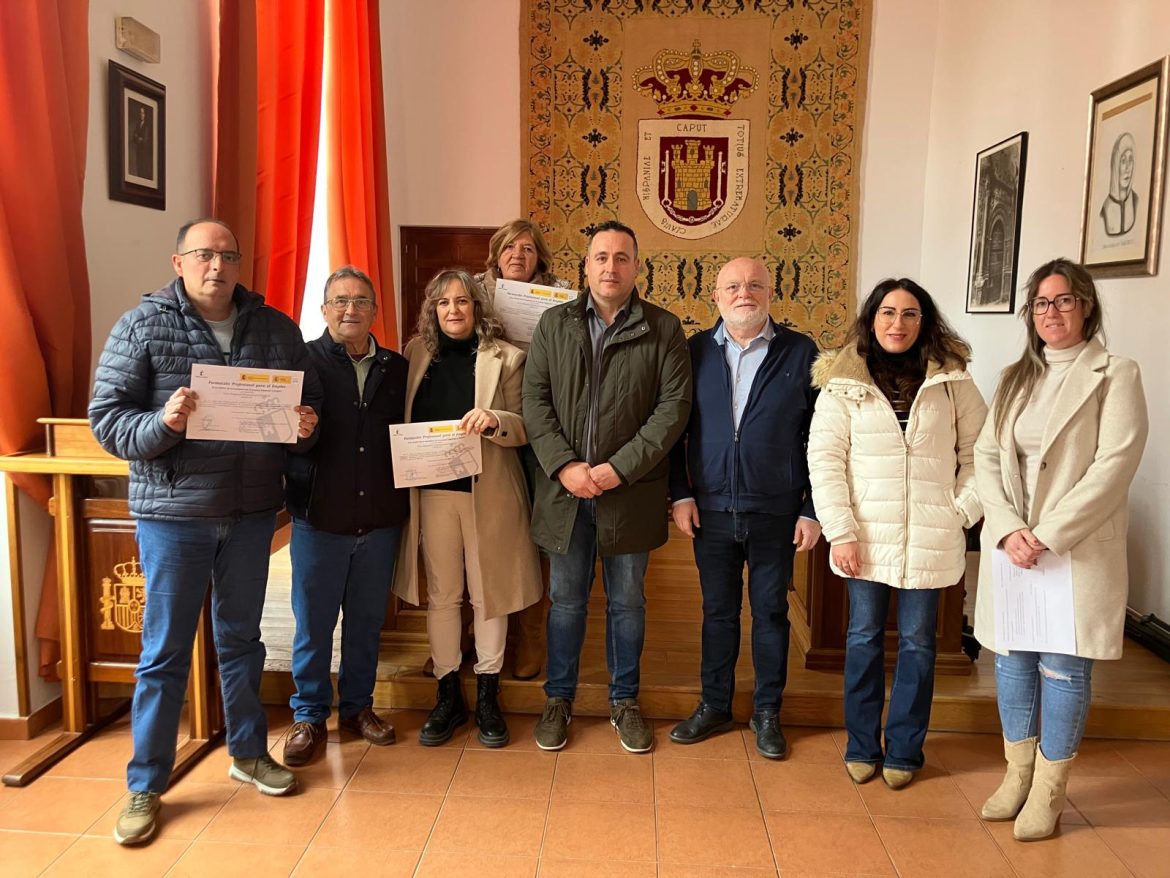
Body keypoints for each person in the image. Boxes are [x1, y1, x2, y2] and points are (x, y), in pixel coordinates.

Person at [89, 218, 322, 845]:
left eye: (227, 255)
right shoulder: (141, 326)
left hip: (251, 514)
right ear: (179, 262)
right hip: (174, 516)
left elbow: (309, 411)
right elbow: (107, 421)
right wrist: (163, 423)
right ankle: (146, 783)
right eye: (203, 255)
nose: (216, 266)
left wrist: (306, 426)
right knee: (164, 652)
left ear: (240, 264)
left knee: (242, 641)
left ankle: (248, 753)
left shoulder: (275, 329)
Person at [974, 258, 1147, 841]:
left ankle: (1049, 790)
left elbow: (1114, 465)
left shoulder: (1115, 374)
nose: (1052, 312)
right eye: (1042, 303)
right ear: (1031, 314)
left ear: (1086, 307)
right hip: (1013, 546)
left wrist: (1047, 534)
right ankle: (1016, 775)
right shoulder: (1014, 378)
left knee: (1065, 668)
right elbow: (987, 457)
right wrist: (1007, 528)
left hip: (1073, 549)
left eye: (1064, 300)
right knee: (1013, 661)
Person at [808, 278, 986, 789]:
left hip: (932, 532)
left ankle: (905, 749)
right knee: (863, 638)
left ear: (924, 322)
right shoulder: (844, 381)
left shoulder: (953, 380)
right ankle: (862, 744)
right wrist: (840, 530)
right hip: (864, 536)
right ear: (872, 319)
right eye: (888, 312)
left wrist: (960, 510)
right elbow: (825, 459)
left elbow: (981, 452)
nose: (898, 323)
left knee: (918, 644)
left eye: (910, 314)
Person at [522, 219, 692, 754]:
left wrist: (620, 467)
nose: (611, 267)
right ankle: (559, 699)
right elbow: (535, 401)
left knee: (627, 603)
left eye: (622, 258)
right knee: (566, 601)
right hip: (565, 494)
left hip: (631, 493)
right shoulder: (553, 324)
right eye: (601, 257)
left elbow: (673, 410)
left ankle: (624, 701)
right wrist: (564, 466)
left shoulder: (664, 328)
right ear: (586, 265)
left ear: (637, 267)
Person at [667, 257, 821, 759]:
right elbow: (673, 429)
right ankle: (714, 705)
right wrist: (680, 493)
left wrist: (812, 508)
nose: (743, 293)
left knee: (771, 613)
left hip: (777, 511)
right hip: (710, 509)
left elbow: (822, 437)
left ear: (771, 293)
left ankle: (767, 711)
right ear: (716, 297)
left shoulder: (802, 352)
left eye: (755, 285)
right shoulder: (692, 352)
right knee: (718, 613)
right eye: (732, 286)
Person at [392, 269, 541, 748]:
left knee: (487, 593)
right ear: (432, 310)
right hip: (432, 493)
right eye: (443, 303)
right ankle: (448, 694)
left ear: (477, 307)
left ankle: (489, 694)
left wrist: (495, 419)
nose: (453, 310)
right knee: (443, 595)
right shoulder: (416, 354)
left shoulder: (508, 357)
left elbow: (528, 426)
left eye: (462, 301)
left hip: (489, 495)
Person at [281, 266, 408, 766]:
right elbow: (287, 441)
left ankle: (357, 708)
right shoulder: (300, 363)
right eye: (340, 301)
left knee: (366, 622)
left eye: (360, 301)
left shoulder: (397, 368)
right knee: (313, 624)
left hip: (379, 518)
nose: (350, 309)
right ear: (324, 310)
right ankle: (309, 715)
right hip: (319, 516)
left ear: (375, 311)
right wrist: (298, 431)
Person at [475, 219, 571, 680]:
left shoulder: (561, 298)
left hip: (542, 423)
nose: (518, 255)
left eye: (528, 248)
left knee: (536, 533)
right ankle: (471, 633)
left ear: (540, 259)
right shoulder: (472, 294)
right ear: (496, 254)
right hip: (486, 420)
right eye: (510, 247)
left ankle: (531, 634)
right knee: (482, 530)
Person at [1100, 132, 1138, 237]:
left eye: (1130, 160)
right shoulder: (1105, 208)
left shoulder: (1136, 201)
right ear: (1115, 165)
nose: (1127, 168)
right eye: (1123, 161)